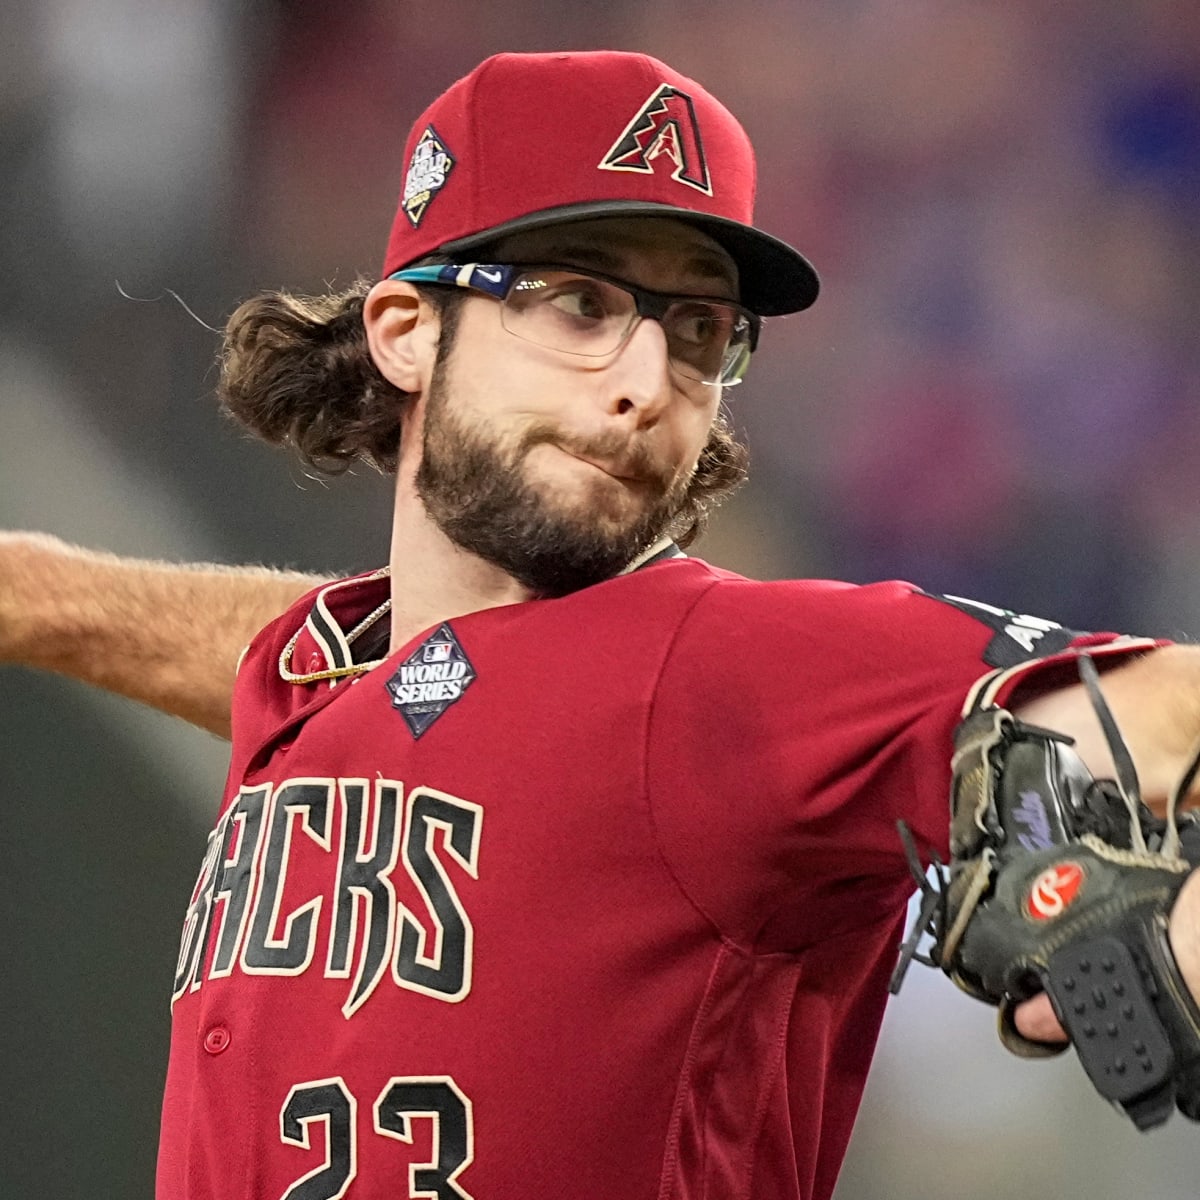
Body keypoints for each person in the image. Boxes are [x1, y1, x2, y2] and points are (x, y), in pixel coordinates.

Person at [4, 49, 1200, 1200]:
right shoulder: (331, 667)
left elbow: (1163, 709)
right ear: (406, 330)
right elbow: (354, 668)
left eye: (697, 333)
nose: (646, 379)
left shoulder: (729, 674)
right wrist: (35, 596)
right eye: (581, 302)